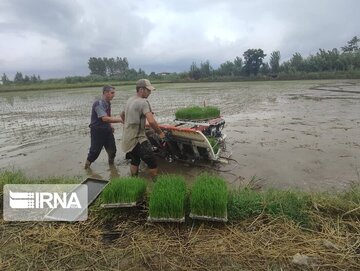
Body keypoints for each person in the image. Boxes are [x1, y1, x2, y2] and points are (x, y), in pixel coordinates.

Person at [120, 79, 165, 178]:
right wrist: (160, 133)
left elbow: (122, 115)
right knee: (152, 162)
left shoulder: (130, 100)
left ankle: (134, 180)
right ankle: (156, 182)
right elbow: (152, 121)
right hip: (138, 139)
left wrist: (127, 125)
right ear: (141, 89)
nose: (150, 92)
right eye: (148, 90)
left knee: (135, 160)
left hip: (127, 139)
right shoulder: (143, 102)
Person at [85, 85, 123, 169]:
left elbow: (107, 116)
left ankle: (112, 168)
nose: (114, 95)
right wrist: (120, 120)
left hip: (107, 130)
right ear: (105, 93)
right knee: (94, 152)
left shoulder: (108, 102)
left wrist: (110, 125)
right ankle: (86, 167)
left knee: (112, 150)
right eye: (112, 93)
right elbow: (105, 118)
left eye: (114, 93)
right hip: (97, 131)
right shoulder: (98, 103)